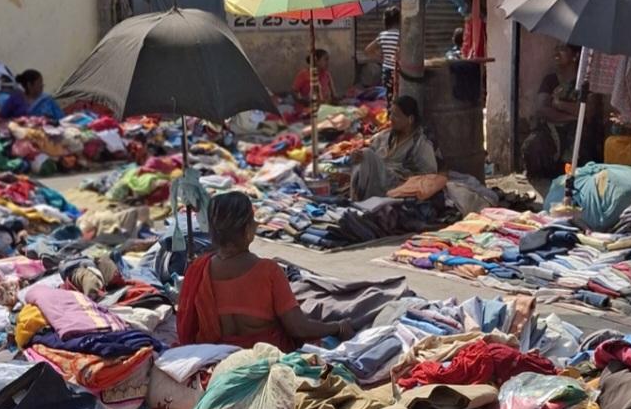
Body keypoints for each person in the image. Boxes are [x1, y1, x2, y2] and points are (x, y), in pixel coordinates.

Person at [176, 191, 354, 350]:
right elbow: (298, 328)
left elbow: (190, 325)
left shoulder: (198, 270)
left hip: (218, 358)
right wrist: (338, 327)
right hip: (266, 358)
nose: (256, 224)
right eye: (252, 220)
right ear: (247, 230)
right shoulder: (268, 271)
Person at [350, 95, 439, 202]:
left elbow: (430, 175)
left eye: (396, 115)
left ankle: (361, 201)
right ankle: (357, 200)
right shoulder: (384, 136)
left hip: (397, 185)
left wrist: (408, 181)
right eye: (391, 113)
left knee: (366, 153)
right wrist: (356, 156)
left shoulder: (421, 144)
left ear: (410, 119)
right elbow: (369, 159)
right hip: (377, 180)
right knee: (362, 155)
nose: (391, 118)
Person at [524, 44, 581, 178]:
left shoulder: (582, 83)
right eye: (556, 49)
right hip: (550, 128)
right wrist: (571, 116)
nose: (557, 53)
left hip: (576, 130)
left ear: (575, 56)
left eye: (563, 50)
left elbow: (586, 111)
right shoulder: (550, 80)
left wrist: (559, 104)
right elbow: (542, 109)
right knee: (533, 145)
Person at [0, 69, 64, 123]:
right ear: (29, 85)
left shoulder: (47, 100)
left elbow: (61, 118)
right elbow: (2, 117)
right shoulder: (15, 99)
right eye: (39, 83)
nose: (42, 85)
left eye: (42, 83)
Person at [364, 6, 400, 91]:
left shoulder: (382, 35)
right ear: (399, 20)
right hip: (398, 72)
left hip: (386, 72)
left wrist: (380, 57)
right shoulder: (401, 35)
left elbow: (367, 50)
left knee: (388, 94)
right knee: (398, 94)